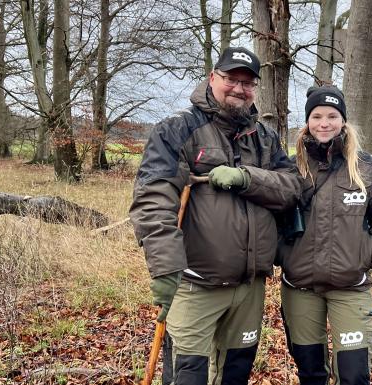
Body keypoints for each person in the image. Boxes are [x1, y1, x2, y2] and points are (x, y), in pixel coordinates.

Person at [129, 46, 300, 385]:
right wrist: (164, 268)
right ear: (212, 78)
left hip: (249, 288)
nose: (239, 88)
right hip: (195, 283)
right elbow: (154, 200)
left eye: (248, 83)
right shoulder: (177, 130)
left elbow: (292, 188)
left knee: (234, 373)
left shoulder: (264, 138)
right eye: (231, 79)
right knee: (186, 375)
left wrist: (248, 178)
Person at [278, 86, 372, 385]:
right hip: (300, 287)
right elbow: (269, 218)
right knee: (311, 373)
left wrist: (367, 254)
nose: (324, 123)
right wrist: (284, 255)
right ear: (307, 121)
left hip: (350, 287)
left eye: (332, 116)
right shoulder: (289, 168)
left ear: (343, 120)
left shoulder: (368, 168)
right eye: (316, 116)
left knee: (354, 374)